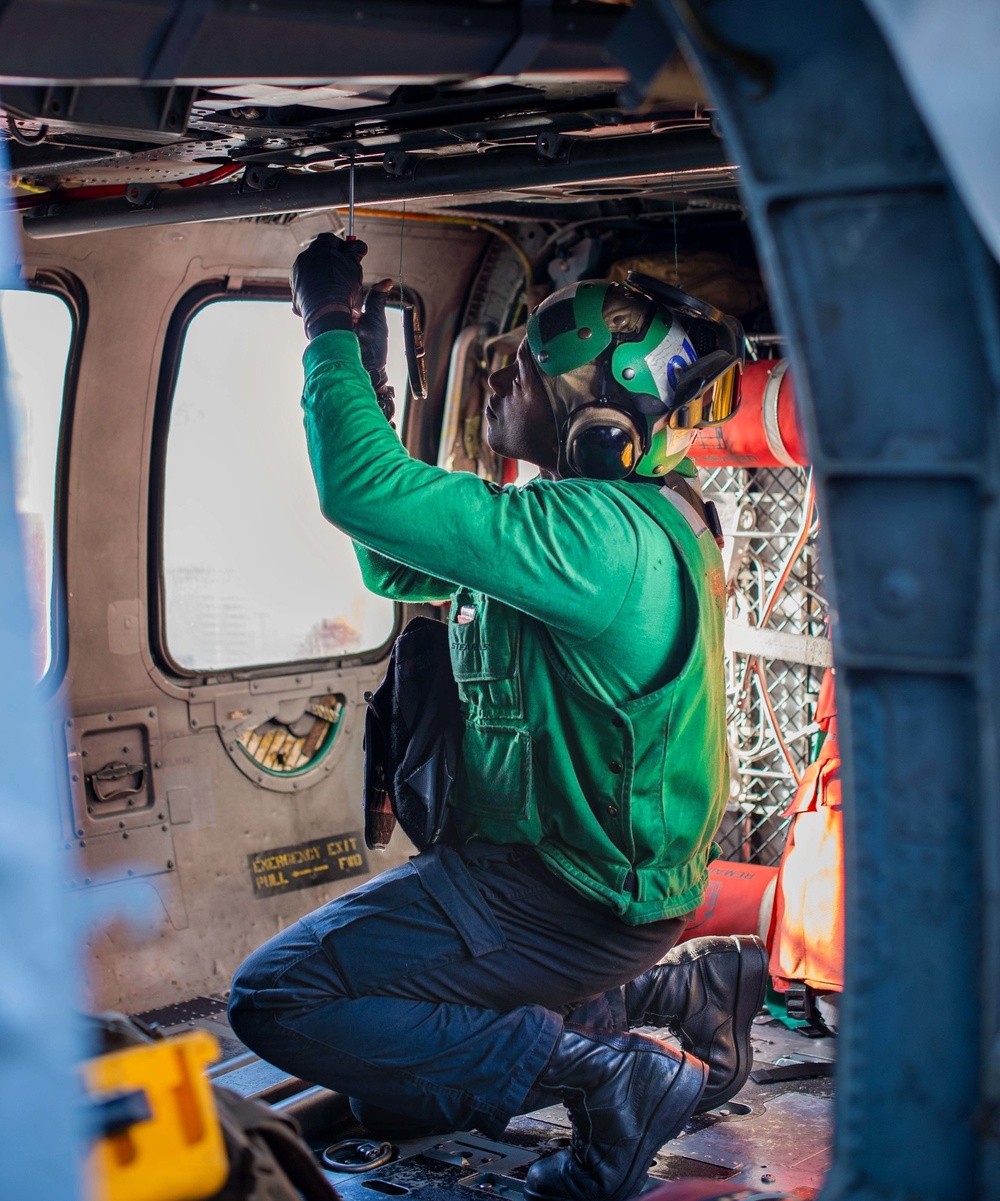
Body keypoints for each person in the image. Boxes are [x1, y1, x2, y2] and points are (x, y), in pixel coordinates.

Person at [228, 234, 769, 1201]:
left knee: (276, 997)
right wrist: (375, 393)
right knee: (401, 1099)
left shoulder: (601, 539)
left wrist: (326, 327)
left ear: (590, 414)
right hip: (577, 887)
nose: (496, 382)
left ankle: (606, 1074)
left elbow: (362, 493)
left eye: (520, 368)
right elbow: (392, 556)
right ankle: (676, 990)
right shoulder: (593, 521)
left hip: (564, 894)